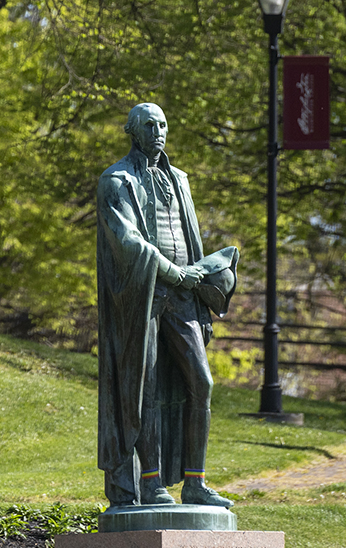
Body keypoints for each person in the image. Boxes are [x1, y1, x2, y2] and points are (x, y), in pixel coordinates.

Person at [96, 102, 236, 509]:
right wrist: (175, 273)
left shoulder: (180, 179)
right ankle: (152, 482)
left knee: (201, 382)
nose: (158, 131)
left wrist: (200, 280)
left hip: (185, 294)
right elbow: (129, 244)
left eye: (163, 124)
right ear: (132, 131)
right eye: (149, 125)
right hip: (144, 298)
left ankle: (195, 482)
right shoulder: (116, 180)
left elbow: (189, 236)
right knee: (149, 391)